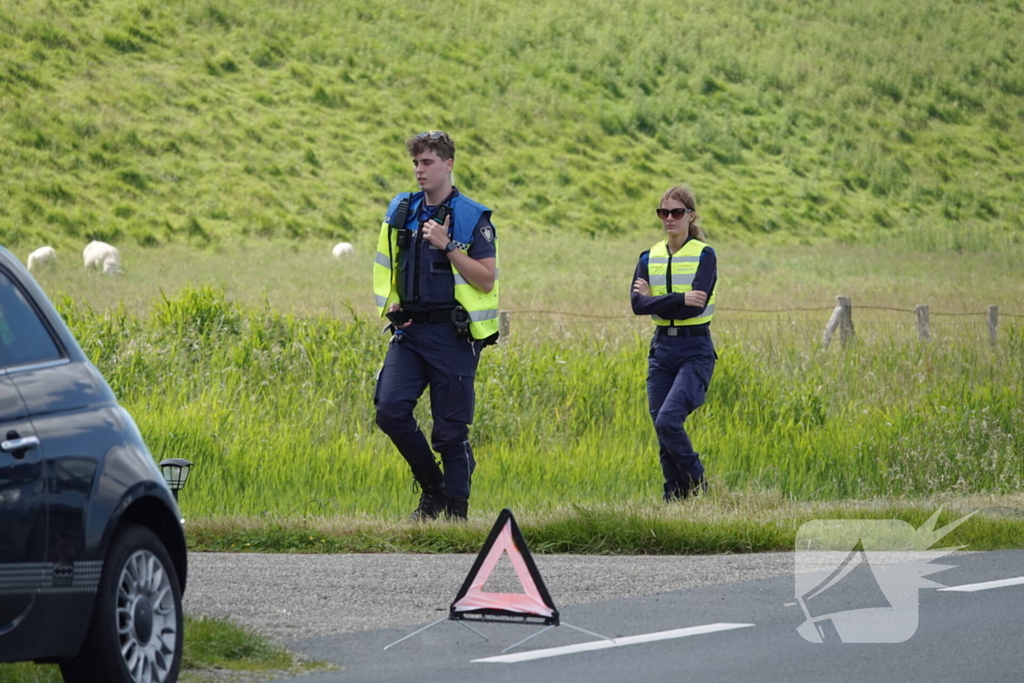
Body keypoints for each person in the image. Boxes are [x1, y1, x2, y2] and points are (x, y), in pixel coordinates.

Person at [372, 131, 499, 521]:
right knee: (389, 411)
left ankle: (456, 515)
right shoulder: (401, 210)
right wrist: (390, 302)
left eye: (427, 163)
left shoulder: (471, 217)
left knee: (449, 432)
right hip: (409, 332)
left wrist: (448, 246)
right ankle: (433, 489)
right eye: (415, 163)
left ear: (448, 164)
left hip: (453, 336)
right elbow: (386, 266)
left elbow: (486, 279)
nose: (419, 171)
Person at [630, 184, 717, 502]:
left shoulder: (704, 255)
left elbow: (697, 304)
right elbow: (637, 305)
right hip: (661, 351)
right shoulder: (648, 256)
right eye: (663, 212)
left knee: (669, 420)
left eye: (677, 212)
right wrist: (679, 297)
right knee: (661, 428)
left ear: (690, 216)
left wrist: (656, 300)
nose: (669, 218)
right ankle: (675, 498)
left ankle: (700, 485)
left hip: (695, 350)